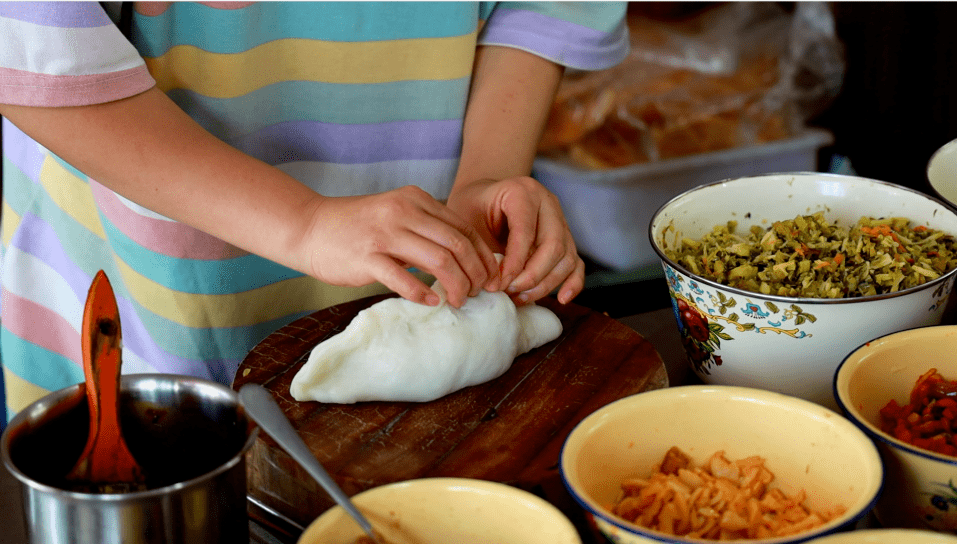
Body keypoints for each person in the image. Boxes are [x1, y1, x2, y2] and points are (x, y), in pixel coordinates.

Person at [0, 1, 629, 423]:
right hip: (156, 300)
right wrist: (301, 221)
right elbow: (34, 49)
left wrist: (488, 171)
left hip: (414, 250)